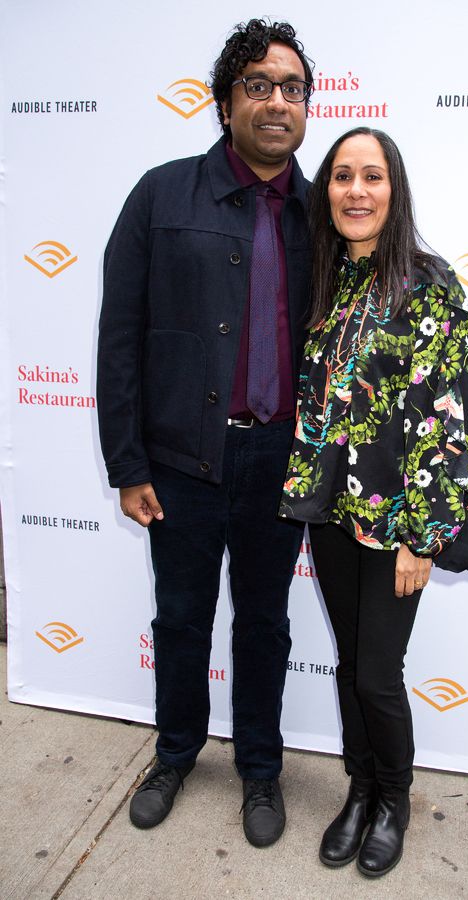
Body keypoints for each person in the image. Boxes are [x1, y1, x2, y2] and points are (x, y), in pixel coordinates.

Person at [97, 19, 313, 847]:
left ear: (305, 107)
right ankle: (176, 753)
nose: (275, 101)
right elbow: (121, 336)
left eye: (291, 87)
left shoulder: (320, 211)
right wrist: (127, 462)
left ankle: (261, 770)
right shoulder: (160, 195)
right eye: (257, 84)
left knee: (265, 624)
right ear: (225, 103)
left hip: (279, 462)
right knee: (181, 617)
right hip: (182, 461)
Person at [279, 127, 468, 877]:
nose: (356, 191)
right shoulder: (325, 285)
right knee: (345, 665)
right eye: (341, 177)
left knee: (376, 673)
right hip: (329, 511)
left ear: (393, 190)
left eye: (371, 176)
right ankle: (359, 790)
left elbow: (451, 422)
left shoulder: (429, 283)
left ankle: (394, 799)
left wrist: (423, 537)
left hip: (398, 520)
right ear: (325, 192)